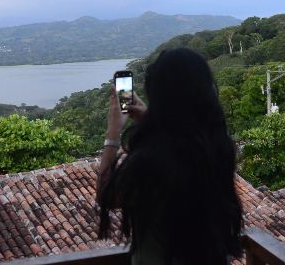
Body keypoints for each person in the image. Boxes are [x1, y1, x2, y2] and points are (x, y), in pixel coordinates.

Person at [97, 47, 242, 264]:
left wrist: (113, 132)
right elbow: (183, 138)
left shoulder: (148, 163)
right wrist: (150, 119)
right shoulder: (219, 147)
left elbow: (106, 196)